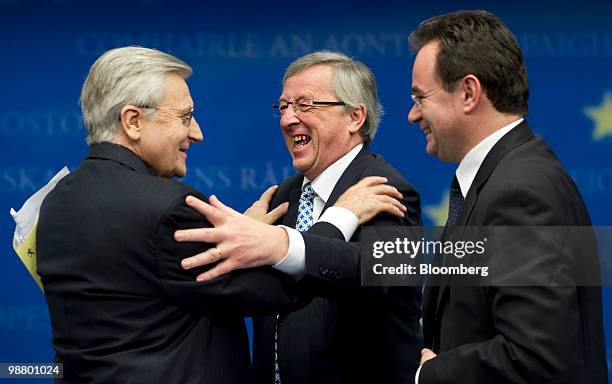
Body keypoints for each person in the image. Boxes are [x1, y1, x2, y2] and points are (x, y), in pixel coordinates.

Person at [36, 46, 312, 384]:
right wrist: (340, 217)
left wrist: (241, 235)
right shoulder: (170, 210)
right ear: (133, 121)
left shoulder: (56, 203)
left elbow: (148, 280)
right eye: (185, 116)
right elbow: (277, 290)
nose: (196, 132)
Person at [175, 51, 423, 383]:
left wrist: (307, 233)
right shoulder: (279, 199)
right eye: (284, 107)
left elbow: (377, 280)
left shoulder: (386, 191)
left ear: (355, 117)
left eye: (305, 105)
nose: (288, 119)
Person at [406, 11, 607, 383]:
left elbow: (537, 357)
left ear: (468, 92)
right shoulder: (506, 177)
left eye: (420, 97)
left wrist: (429, 374)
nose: (412, 115)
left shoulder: (519, 192)